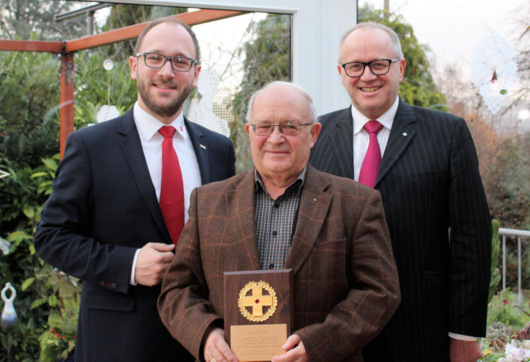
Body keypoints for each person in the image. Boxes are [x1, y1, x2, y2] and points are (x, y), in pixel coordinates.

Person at [34, 18, 235, 362]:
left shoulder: (218, 149)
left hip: (200, 339)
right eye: (154, 58)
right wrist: (127, 264)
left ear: (196, 74)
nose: (167, 72)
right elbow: (51, 237)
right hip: (118, 342)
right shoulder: (90, 146)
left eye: (180, 61)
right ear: (133, 66)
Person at [158, 81, 401, 362]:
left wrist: (318, 345)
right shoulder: (207, 202)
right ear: (249, 132)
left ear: (313, 133)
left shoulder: (357, 202)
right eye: (264, 126)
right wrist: (206, 334)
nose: (275, 138)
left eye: (289, 126)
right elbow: (176, 290)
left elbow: (380, 291)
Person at [309, 22, 492, 361]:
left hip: (421, 328)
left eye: (379, 64)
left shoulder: (447, 134)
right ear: (341, 72)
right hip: (333, 331)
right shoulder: (314, 135)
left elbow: (471, 238)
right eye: (355, 66)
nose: (367, 76)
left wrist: (464, 333)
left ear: (401, 68)